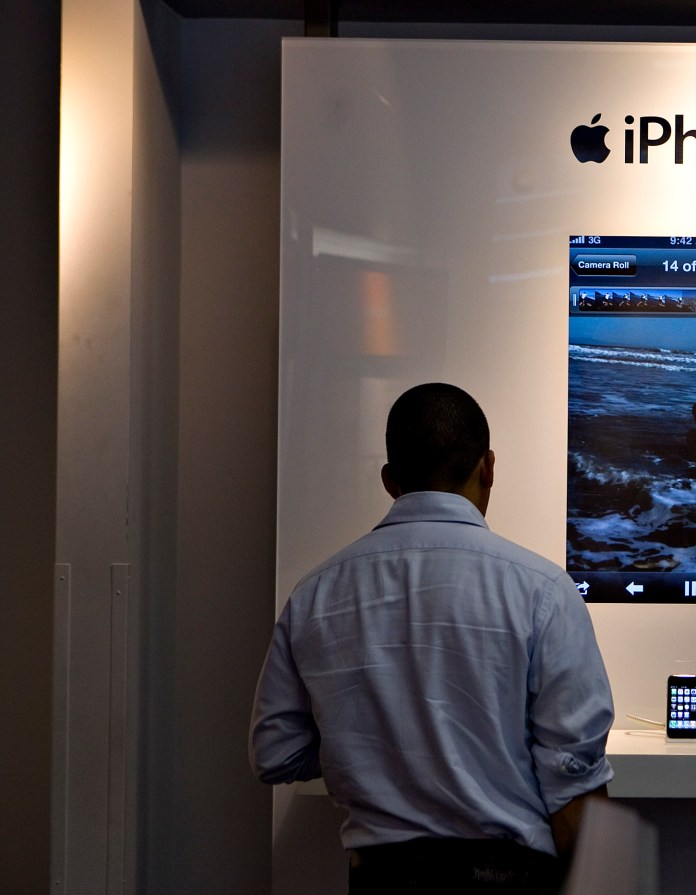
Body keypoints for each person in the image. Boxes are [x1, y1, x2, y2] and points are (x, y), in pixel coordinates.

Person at [250, 383, 614, 894]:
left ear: (389, 480)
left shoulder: (315, 594)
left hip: (382, 880)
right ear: (488, 467)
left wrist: (360, 741)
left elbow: (275, 754)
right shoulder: (545, 591)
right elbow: (573, 780)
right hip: (509, 876)